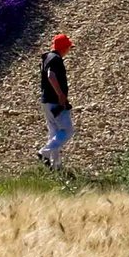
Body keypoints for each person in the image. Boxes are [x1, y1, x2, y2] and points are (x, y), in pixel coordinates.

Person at [37, 33, 74, 169]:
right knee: (67, 130)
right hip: (55, 101)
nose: (69, 50)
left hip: (46, 101)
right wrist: (60, 95)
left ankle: (55, 166)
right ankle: (44, 152)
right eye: (68, 47)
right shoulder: (56, 59)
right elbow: (50, 75)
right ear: (64, 48)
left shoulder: (47, 58)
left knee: (54, 133)